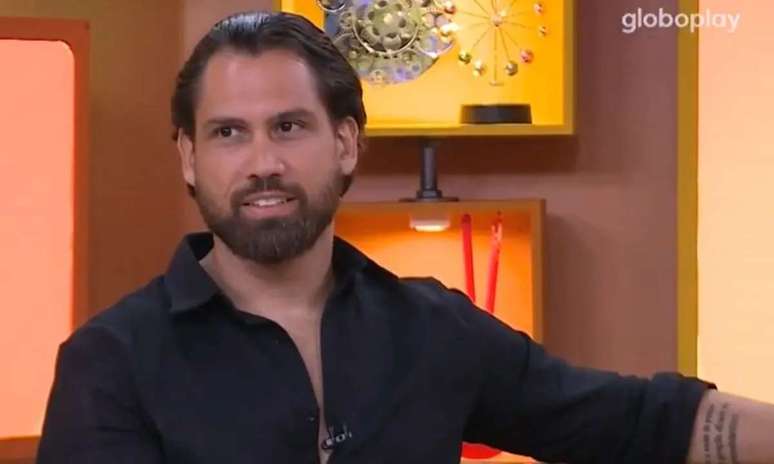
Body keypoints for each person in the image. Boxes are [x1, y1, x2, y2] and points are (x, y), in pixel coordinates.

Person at [37, 10, 774, 464]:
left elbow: (632, 423)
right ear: (190, 157)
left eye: (289, 126)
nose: (262, 163)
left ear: (346, 144)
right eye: (229, 133)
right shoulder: (112, 363)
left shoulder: (432, 328)